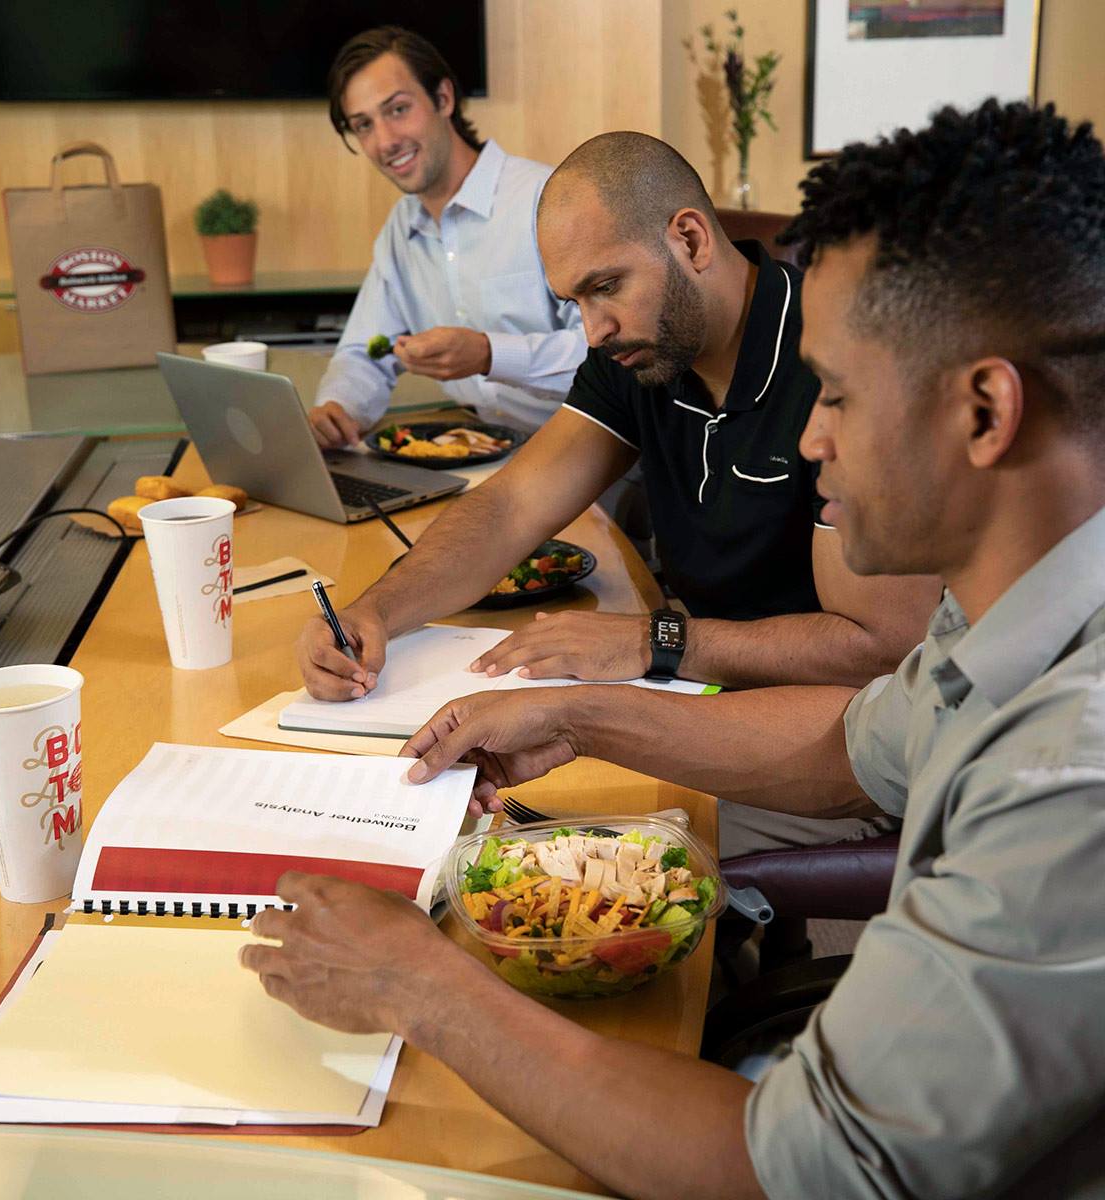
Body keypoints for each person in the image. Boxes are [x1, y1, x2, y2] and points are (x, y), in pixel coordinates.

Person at [244, 100, 1105, 1198]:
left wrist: (419, 985)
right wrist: (580, 714)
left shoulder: (1067, 772)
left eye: (837, 395)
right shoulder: (1005, 617)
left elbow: (793, 1169)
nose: (809, 438)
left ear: (986, 413)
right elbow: (854, 749)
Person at [298, 130, 937, 855]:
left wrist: (654, 640)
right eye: (573, 300)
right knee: (482, 799)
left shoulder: (836, 366)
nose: (592, 329)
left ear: (691, 239)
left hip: (838, 733)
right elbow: (511, 504)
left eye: (606, 287)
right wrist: (376, 610)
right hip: (704, 693)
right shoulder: (638, 352)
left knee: (535, 845)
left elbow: (882, 649)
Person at [308, 26, 586, 448]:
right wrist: (337, 408)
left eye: (398, 109)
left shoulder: (546, 200)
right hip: (479, 449)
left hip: (588, 456)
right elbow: (363, 353)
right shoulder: (401, 230)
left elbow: (609, 356)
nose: (384, 141)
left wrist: (491, 354)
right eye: (363, 125)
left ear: (443, 98)